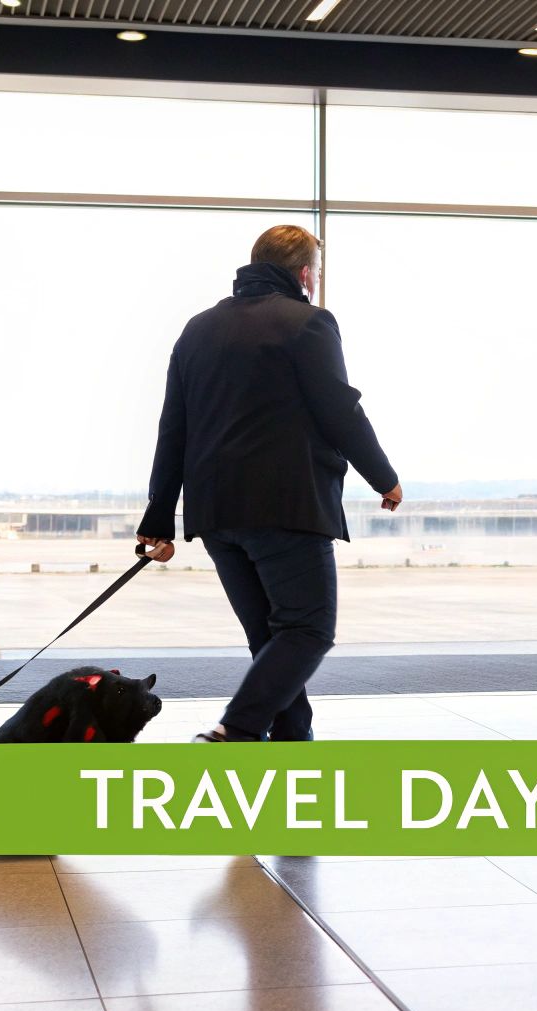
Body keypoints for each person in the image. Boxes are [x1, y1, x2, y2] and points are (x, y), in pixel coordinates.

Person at [135, 225, 401, 742]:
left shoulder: (197, 329)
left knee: (269, 639)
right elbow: (339, 411)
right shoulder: (309, 323)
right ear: (304, 273)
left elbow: (174, 427)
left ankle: (292, 744)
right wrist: (384, 477)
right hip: (286, 508)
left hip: (216, 515)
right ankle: (234, 730)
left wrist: (158, 516)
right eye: (316, 272)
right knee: (308, 630)